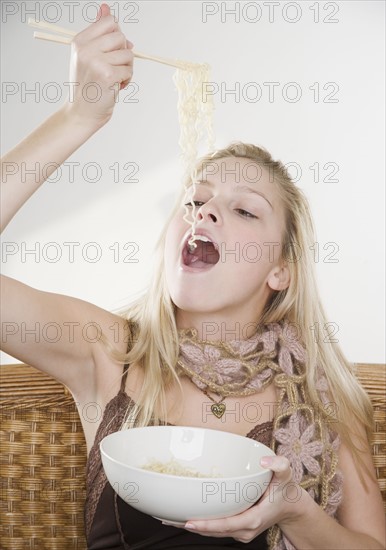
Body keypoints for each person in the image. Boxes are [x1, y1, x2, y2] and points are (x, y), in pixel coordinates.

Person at [1, 4, 384, 550]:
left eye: (244, 210)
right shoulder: (109, 351)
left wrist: (297, 512)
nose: (204, 212)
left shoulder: (327, 398)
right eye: (196, 200)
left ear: (281, 271)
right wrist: (79, 117)